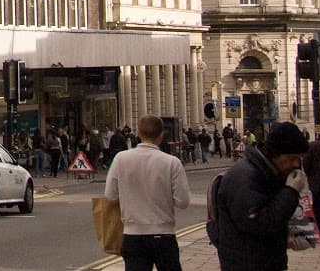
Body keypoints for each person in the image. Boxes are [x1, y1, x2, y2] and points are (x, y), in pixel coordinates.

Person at [211, 119, 309, 271]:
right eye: (291, 158)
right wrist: (290, 191)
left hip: (264, 261)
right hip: (246, 264)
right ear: (274, 154)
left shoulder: (269, 172)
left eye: (298, 159)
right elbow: (259, 223)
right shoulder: (245, 176)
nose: (296, 164)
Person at [103, 115, 191, 271]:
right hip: (163, 234)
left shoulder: (121, 159)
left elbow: (110, 196)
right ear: (161, 135)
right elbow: (183, 202)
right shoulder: (172, 162)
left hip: (133, 235)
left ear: (138, 133)